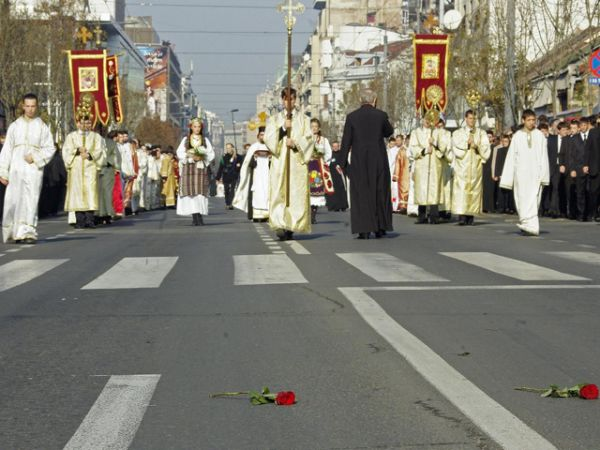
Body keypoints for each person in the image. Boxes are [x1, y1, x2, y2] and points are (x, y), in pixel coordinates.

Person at [338, 88, 394, 239]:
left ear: (360, 100)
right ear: (374, 100)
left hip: (359, 161)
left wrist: (341, 163)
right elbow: (389, 132)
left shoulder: (352, 117)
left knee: (360, 194)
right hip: (378, 160)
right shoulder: (381, 115)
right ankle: (380, 227)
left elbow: (346, 141)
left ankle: (363, 229)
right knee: (380, 193)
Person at [0, 93, 55, 243]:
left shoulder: (42, 126)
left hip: (33, 169)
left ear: (36, 107)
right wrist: (3, 171)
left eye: (33, 106)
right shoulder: (15, 126)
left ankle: (28, 232)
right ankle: (14, 232)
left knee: (31, 199)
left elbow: (50, 148)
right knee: (14, 200)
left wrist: (36, 157)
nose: (30, 109)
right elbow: (6, 150)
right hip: (16, 169)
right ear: (23, 106)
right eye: (28, 106)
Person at [264, 87, 313, 240]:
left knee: (294, 194)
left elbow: (309, 139)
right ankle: (280, 223)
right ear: (282, 100)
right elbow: (268, 138)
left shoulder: (304, 120)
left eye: (292, 99)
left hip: (296, 163)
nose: (289, 102)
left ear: (295, 100)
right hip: (280, 162)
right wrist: (284, 128)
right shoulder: (274, 119)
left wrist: (296, 143)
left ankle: (291, 224)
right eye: (286, 99)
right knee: (280, 191)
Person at [500, 109, 549, 235]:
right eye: (529, 120)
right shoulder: (517, 136)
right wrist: (508, 178)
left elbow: (544, 156)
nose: (532, 122)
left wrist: (544, 174)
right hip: (521, 175)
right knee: (522, 199)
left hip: (535, 174)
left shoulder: (539, 136)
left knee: (534, 199)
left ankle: (532, 225)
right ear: (523, 120)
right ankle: (525, 222)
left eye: (533, 120)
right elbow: (511, 157)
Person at [62, 112, 106, 229]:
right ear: (77, 123)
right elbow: (66, 151)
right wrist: (76, 150)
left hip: (90, 169)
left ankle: (90, 220)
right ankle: (80, 221)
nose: (84, 125)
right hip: (76, 170)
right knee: (77, 194)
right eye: (82, 123)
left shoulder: (96, 137)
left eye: (87, 123)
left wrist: (90, 155)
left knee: (90, 193)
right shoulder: (71, 137)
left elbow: (101, 151)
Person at [451, 110, 491, 225]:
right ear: (465, 119)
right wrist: (467, 144)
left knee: (474, 190)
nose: (472, 121)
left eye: (474, 119)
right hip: (462, 166)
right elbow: (455, 146)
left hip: (475, 166)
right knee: (462, 190)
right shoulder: (458, 133)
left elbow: (486, 149)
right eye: (469, 118)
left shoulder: (481, 133)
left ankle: (471, 215)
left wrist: (476, 145)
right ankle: (462, 216)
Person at [409, 111, 447, 224]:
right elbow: (413, 148)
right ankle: (421, 215)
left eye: (429, 119)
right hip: (422, 164)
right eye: (425, 118)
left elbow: (444, 148)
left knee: (433, 189)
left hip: (435, 164)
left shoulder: (437, 132)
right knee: (422, 188)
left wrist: (434, 143)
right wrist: (425, 150)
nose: (427, 121)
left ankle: (434, 215)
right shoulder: (416, 132)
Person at [176, 117, 215, 225]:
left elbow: (211, 154)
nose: (197, 129)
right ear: (191, 127)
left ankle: (200, 216)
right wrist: (190, 156)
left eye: (198, 127)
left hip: (200, 169)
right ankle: (194, 216)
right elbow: (180, 152)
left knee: (199, 193)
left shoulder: (205, 140)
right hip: (189, 168)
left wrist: (202, 157)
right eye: (195, 127)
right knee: (191, 193)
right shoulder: (186, 140)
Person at [233, 127, 271, 221]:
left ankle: (267, 215)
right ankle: (256, 215)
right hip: (256, 175)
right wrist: (254, 158)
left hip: (268, 175)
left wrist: (270, 158)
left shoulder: (271, 147)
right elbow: (247, 163)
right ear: (258, 136)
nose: (263, 137)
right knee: (257, 194)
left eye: (264, 135)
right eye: (261, 135)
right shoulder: (254, 147)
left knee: (267, 193)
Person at [308, 118, 333, 224]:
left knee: (316, 191)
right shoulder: (306, 139)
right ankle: (307, 215)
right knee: (306, 191)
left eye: (315, 127)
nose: (314, 128)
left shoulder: (323, 140)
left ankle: (313, 216)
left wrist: (324, 162)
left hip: (318, 166)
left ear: (319, 129)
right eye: (312, 126)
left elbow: (329, 153)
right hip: (307, 166)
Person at [563, 119, 588, 220]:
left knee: (590, 192)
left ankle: (590, 213)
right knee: (580, 192)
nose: (582, 127)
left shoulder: (591, 137)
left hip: (591, 168)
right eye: (581, 125)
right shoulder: (574, 139)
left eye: (584, 125)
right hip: (578, 168)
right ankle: (581, 214)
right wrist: (572, 169)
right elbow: (571, 156)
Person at [544, 122, 568, 218]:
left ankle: (557, 210)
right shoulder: (551, 139)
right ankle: (551, 209)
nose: (565, 132)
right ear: (558, 130)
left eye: (566, 130)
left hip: (563, 167)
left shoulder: (568, 140)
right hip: (551, 166)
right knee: (552, 188)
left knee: (558, 188)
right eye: (563, 130)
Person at [98, 130, 119, 224]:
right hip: (95, 170)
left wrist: (107, 162)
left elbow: (116, 156)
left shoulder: (111, 143)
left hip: (107, 169)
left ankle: (106, 213)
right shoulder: (92, 141)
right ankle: (98, 213)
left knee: (106, 192)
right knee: (98, 193)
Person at [216, 143, 242, 210]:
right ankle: (227, 203)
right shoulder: (224, 157)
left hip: (234, 175)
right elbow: (221, 168)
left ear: (233, 148)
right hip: (226, 176)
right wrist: (218, 178)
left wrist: (237, 165)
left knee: (232, 190)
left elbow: (240, 167)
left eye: (229, 148)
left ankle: (230, 203)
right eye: (227, 148)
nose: (228, 149)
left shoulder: (238, 157)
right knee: (226, 190)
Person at [584, 117, 600, 221]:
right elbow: (588, 149)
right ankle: (593, 212)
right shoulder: (593, 132)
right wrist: (586, 164)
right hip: (595, 167)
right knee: (593, 191)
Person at [492, 134, 513, 213]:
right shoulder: (499, 150)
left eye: (506, 141)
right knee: (501, 192)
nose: (505, 143)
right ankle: (501, 207)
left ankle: (509, 207)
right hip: (501, 173)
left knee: (509, 192)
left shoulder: (511, 151)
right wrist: (497, 174)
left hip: (509, 173)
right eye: (503, 141)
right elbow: (497, 163)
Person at [326, 141, 349, 212]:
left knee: (342, 190)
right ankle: (335, 206)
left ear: (339, 146)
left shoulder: (342, 155)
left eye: (337, 146)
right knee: (334, 191)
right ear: (332, 147)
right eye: (334, 146)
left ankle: (343, 206)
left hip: (340, 176)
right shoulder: (329, 155)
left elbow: (346, 164)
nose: (335, 147)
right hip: (332, 177)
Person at [392, 134, 410, 214]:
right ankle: (403, 206)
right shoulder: (401, 151)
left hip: (412, 173)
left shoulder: (411, 149)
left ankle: (412, 207)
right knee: (403, 190)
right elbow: (398, 163)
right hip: (404, 173)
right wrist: (396, 175)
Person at [387, 137, 399, 211]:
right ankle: (391, 205)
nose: (392, 145)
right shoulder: (388, 151)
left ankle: (394, 205)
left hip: (394, 172)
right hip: (389, 172)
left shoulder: (396, 151)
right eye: (391, 144)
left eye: (393, 144)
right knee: (390, 190)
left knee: (395, 190)